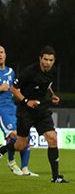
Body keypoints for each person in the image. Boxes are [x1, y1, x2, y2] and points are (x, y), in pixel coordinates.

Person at [0, 46, 68, 182]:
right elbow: (14, 89)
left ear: (54, 61)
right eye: (45, 59)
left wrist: (52, 95)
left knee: (52, 138)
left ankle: (56, 177)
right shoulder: (29, 72)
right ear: (40, 59)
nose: (47, 63)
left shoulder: (53, 72)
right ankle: (4, 149)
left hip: (41, 110)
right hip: (26, 111)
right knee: (21, 145)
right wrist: (26, 101)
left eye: (50, 60)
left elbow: (47, 85)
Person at [0, 46, 37, 176]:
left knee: (26, 136)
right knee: (14, 135)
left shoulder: (11, 72)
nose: (0, 55)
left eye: (2, 52)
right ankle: (11, 161)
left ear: (5, 54)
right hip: (1, 110)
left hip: (13, 108)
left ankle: (25, 168)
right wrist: (0, 88)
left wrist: (22, 97)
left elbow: (15, 90)